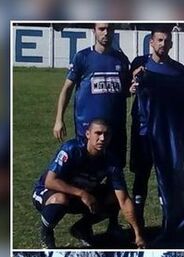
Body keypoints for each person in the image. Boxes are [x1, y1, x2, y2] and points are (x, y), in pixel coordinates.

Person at [33, 119, 146, 248]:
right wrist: (82, 194)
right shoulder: (72, 149)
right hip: (48, 193)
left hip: (82, 194)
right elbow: (50, 181)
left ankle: (82, 228)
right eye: (98, 133)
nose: (102, 138)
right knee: (61, 199)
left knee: (113, 197)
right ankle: (46, 233)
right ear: (88, 134)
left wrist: (138, 235)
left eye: (106, 134)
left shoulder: (112, 161)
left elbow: (124, 200)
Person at [53, 23, 130, 204]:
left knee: (115, 177)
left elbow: (125, 91)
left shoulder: (120, 59)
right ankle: (80, 214)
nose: (106, 32)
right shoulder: (83, 57)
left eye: (109, 29)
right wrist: (59, 119)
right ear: (93, 31)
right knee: (86, 176)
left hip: (115, 132)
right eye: (102, 28)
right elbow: (67, 89)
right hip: (87, 132)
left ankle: (113, 223)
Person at [128, 26, 184, 220]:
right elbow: (127, 90)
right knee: (141, 175)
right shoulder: (139, 64)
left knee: (168, 176)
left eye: (166, 40)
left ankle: (168, 220)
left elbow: (183, 101)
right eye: (159, 40)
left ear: (171, 43)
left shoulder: (178, 70)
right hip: (142, 130)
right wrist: (132, 87)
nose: (163, 44)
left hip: (166, 132)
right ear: (151, 42)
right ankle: (138, 220)